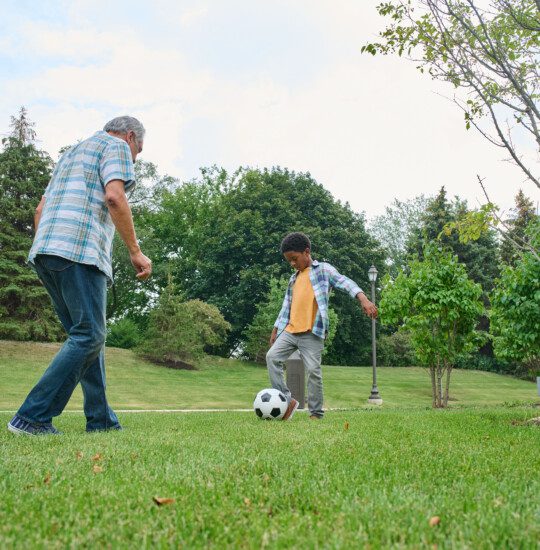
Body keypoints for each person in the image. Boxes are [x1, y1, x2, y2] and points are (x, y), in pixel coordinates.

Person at [7, 116, 152, 435]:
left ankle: (100, 420)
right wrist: (134, 251)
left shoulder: (70, 154)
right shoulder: (115, 146)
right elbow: (114, 196)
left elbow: (40, 210)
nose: (135, 159)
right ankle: (31, 416)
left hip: (47, 251)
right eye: (138, 151)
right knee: (90, 334)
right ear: (130, 137)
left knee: (87, 337)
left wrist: (46, 245)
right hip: (79, 250)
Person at [267, 232, 377, 420]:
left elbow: (344, 282)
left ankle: (316, 413)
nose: (292, 264)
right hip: (290, 330)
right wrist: (276, 328)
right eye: (289, 261)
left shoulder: (323, 270)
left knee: (313, 372)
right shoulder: (293, 279)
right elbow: (286, 306)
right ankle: (287, 400)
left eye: (294, 259)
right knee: (272, 357)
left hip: (312, 332)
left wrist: (363, 298)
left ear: (306, 252)